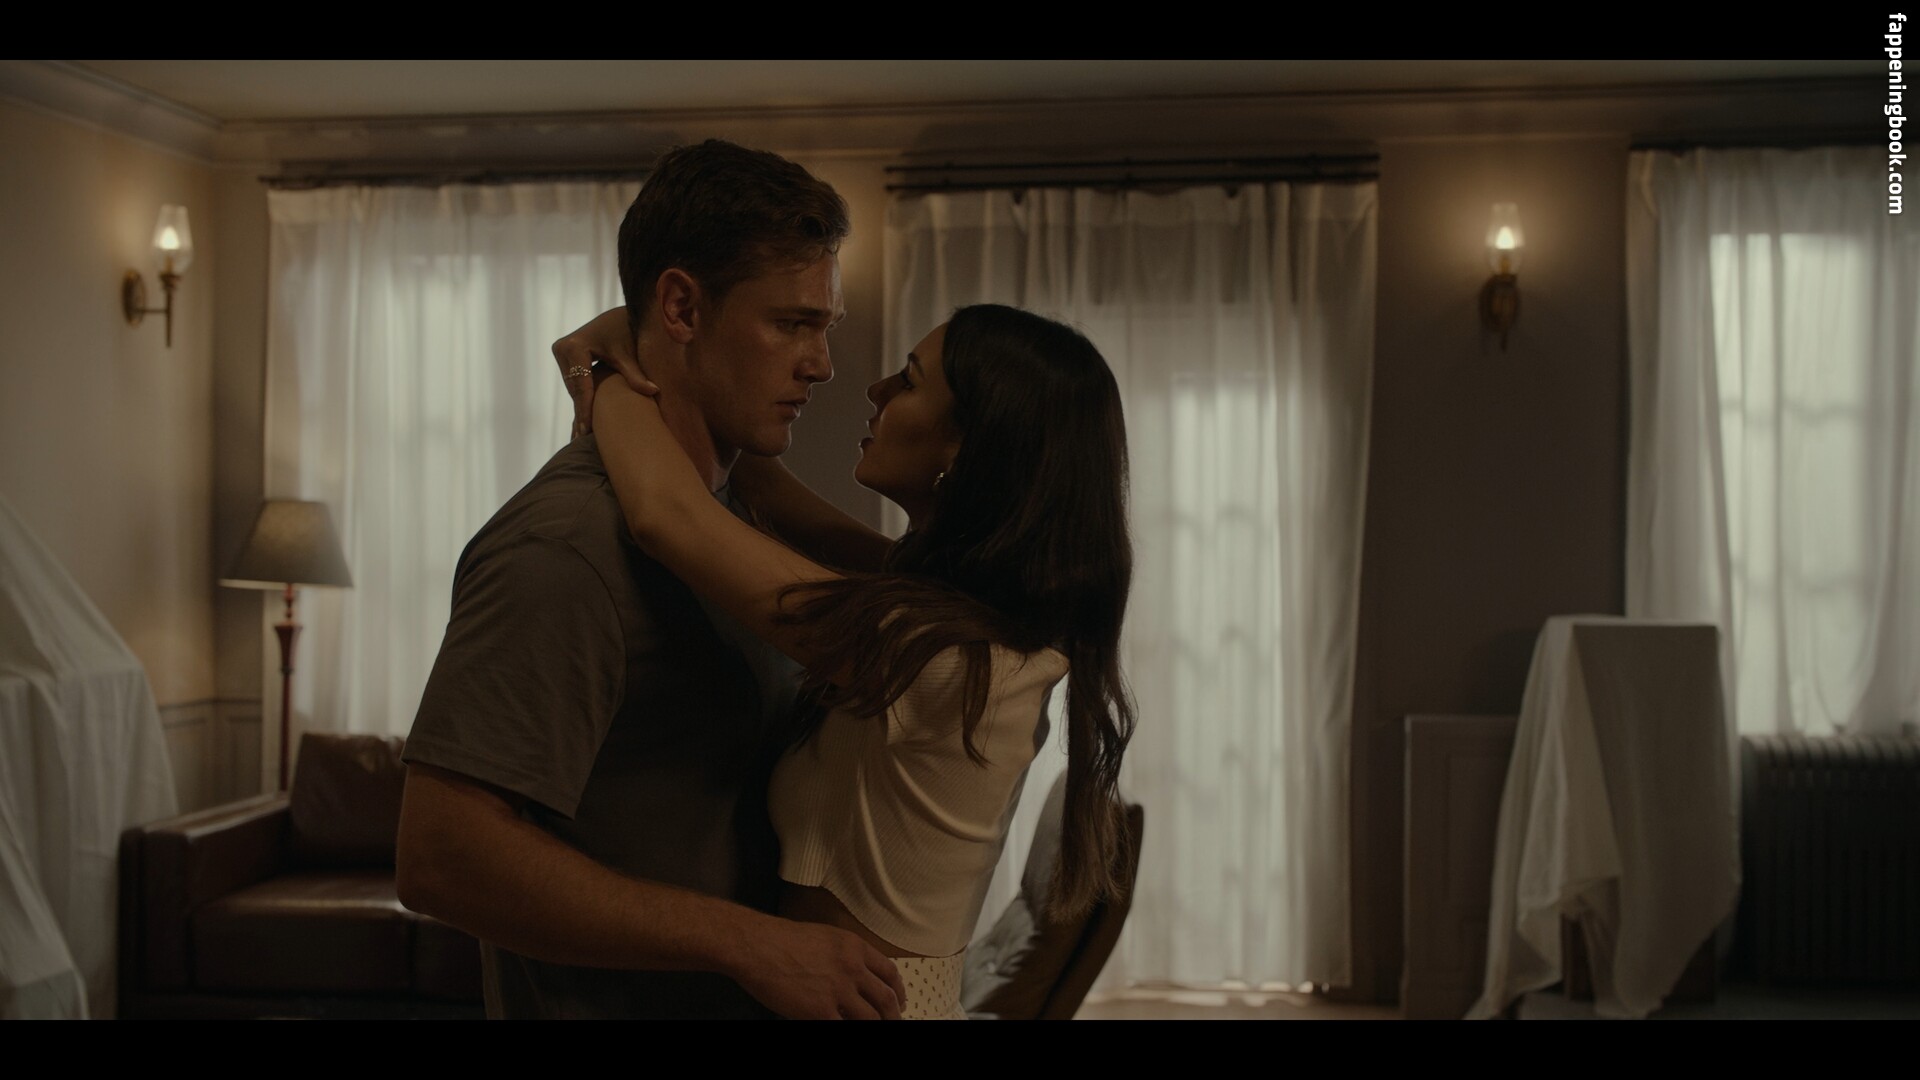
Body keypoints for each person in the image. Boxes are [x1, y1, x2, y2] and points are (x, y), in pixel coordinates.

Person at [395, 140, 909, 1020]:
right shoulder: (564, 550)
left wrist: (613, 349)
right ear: (680, 307)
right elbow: (441, 856)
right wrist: (747, 942)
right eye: (793, 324)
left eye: (823, 326)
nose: (822, 364)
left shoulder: (730, 512)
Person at [560, 300, 1137, 1020]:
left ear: (966, 448)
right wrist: (657, 337)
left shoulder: (938, 658)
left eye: (909, 380)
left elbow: (665, 515)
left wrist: (605, 370)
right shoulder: (963, 621)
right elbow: (763, 488)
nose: (875, 390)